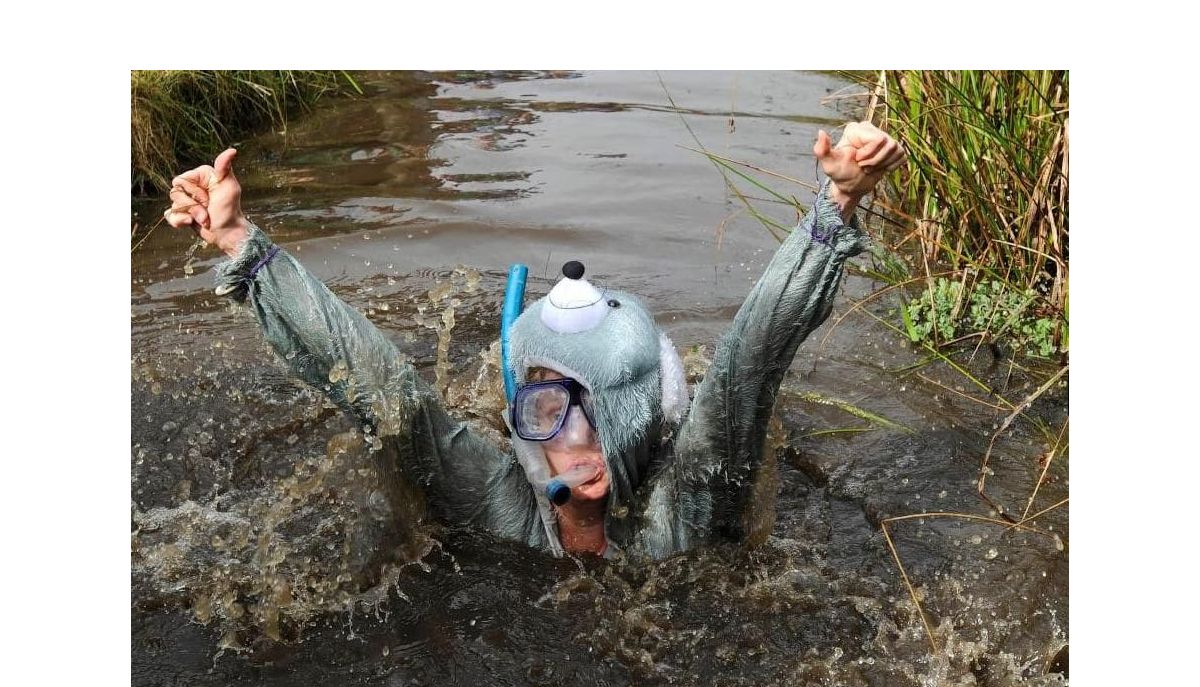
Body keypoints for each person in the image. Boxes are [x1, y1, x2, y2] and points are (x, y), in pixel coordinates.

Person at [165, 121, 905, 560]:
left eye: (595, 406)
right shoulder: (497, 504)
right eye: (548, 409)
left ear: (644, 413)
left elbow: (751, 358)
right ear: (521, 420)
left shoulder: (686, 504)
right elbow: (374, 382)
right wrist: (241, 245)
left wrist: (837, 201)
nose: (575, 438)